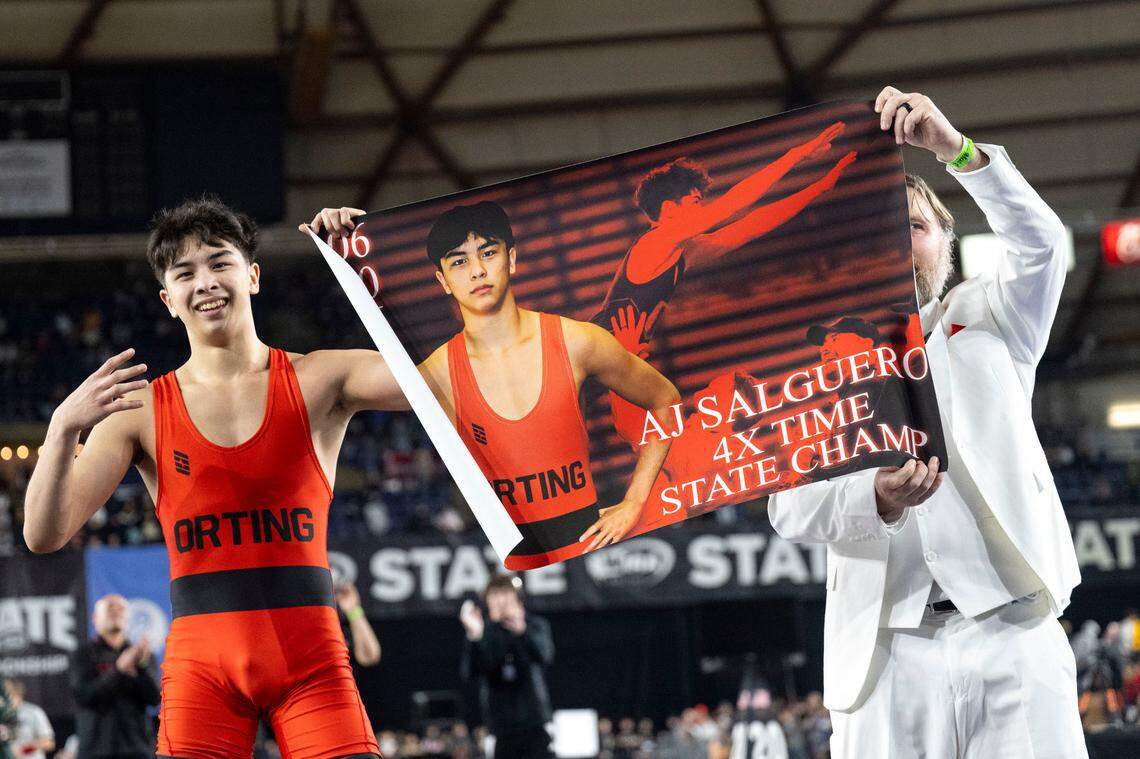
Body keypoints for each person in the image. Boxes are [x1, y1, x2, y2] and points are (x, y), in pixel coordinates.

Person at [24, 197, 409, 757]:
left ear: (252, 275)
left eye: (219, 263)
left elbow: (439, 379)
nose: (204, 283)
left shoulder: (322, 376)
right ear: (168, 300)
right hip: (201, 667)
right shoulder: (140, 411)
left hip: (312, 659)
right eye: (184, 273)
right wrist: (61, 431)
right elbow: (43, 534)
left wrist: (372, 269)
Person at [768, 85, 1084, 758]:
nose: (898, 239)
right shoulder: (813, 372)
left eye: (914, 225)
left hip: (1013, 633)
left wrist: (957, 151)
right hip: (886, 657)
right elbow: (787, 510)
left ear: (945, 243)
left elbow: (1044, 246)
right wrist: (871, 496)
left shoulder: (994, 320)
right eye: (880, 226)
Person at [310, 201, 681, 569]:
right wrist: (336, 243)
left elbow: (665, 398)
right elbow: (336, 383)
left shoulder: (577, 341)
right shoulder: (438, 373)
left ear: (512, 259)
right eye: (459, 261)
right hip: (508, 562)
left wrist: (635, 501)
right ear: (443, 280)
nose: (476, 271)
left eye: (488, 252)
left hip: (588, 550)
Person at [591, 127, 857, 445]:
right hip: (589, 354)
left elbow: (753, 224)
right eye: (696, 201)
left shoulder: (683, 253)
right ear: (670, 208)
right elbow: (731, 205)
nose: (703, 210)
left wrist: (819, 187)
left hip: (612, 361)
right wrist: (795, 155)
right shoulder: (655, 242)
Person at [459, 575, 554, 759]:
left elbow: (544, 656)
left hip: (534, 720)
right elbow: (470, 671)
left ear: (517, 597)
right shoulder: (483, 630)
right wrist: (475, 636)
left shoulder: (535, 625)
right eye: (494, 595)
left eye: (505, 594)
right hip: (501, 725)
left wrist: (522, 632)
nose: (500, 601)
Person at [71, 594, 160, 759]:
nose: (116, 612)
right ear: (95, 618)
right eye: (110, 608)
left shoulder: (141, 654)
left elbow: (155, 698)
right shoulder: (82, 654)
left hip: (137, 749)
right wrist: (119, 669)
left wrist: (141, 667)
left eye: (121, 609)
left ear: (127, 618)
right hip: (95, 750)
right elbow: (84, 696)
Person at [1, 680, 53, 759]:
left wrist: (23, 750)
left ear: (18, 695)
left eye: (8, 696)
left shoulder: (34, 712)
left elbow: (48, 743)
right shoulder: (2, 714)